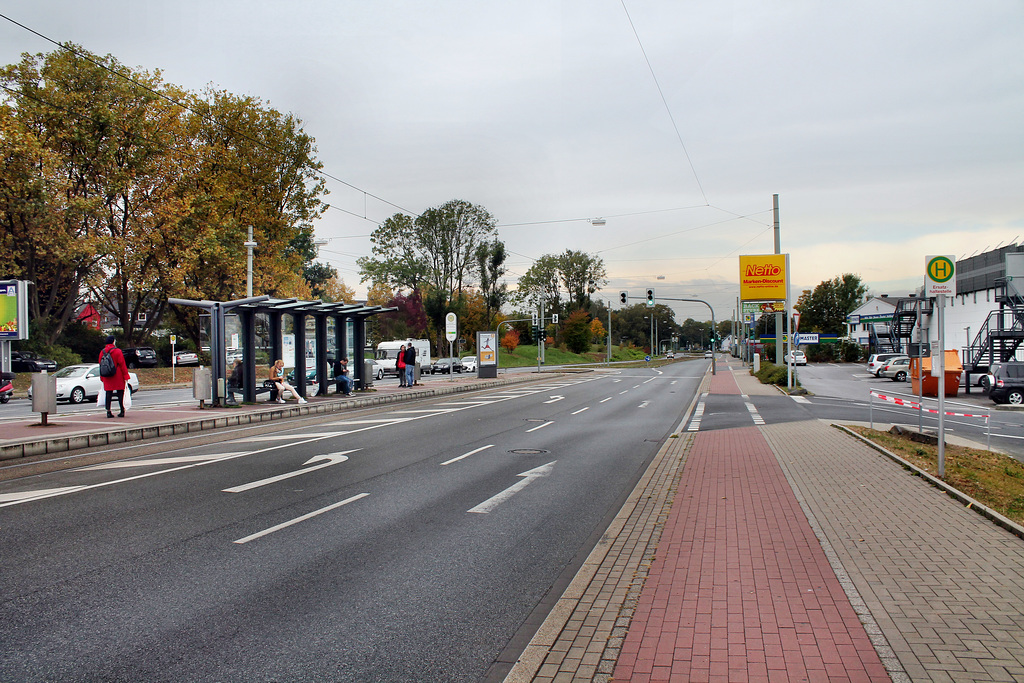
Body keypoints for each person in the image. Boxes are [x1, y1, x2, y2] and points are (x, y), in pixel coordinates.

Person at [98, 335, 130, 418]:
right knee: (120, 393)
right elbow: (122, 364)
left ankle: (108, 411)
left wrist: (101, 376)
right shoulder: (117, 351)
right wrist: (126, 375)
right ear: (113, 341)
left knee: (108, 393)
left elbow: (100, 364)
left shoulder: (102, 352)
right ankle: (122, 410)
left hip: (107, 375)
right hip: (118, 374)